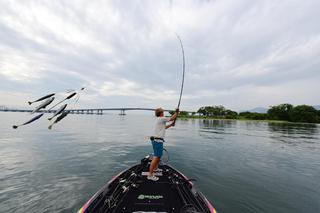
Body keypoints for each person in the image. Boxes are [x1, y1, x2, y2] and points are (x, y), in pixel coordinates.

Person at [147, 107, 179, 181]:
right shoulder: (161, 118)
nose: (163, 112)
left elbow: (164, 127)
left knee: (158, 156)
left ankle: (155, 169)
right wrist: (176, 112)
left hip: (157, 141)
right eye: (163, 111)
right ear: (160, 113)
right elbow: (171, 118)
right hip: (157, 141)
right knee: (156, 157)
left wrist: (171, 125)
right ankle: (150, 175)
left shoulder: (160, 120)